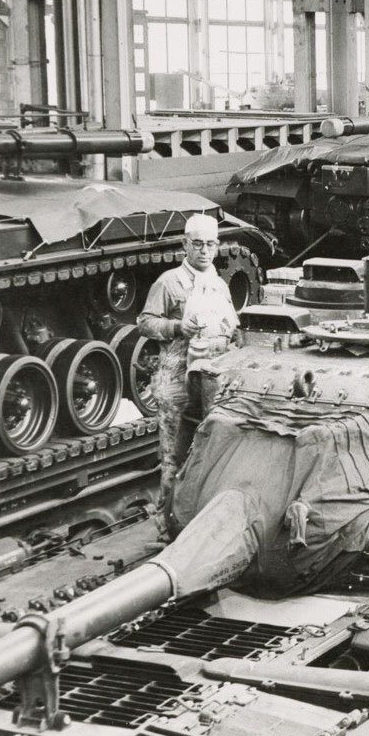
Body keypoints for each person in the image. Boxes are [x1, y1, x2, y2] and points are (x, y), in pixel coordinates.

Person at [137, 213, 240, 537]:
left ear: (217, 246)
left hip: (211, 379)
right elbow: (145, 322)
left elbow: (233, 326)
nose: (204, 251)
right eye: (197, 244)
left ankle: (198, 521)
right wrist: (176, 326)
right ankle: (167, 527)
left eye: (210, 244)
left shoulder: (219, 284)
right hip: (177, 378)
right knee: (174, 455)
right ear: (185, 244)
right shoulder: (169, 282)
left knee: (209, 452)